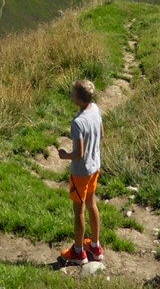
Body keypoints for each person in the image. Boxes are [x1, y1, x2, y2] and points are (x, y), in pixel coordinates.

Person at [55, 79, 104, 266]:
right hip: (95, 166)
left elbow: (78, 154)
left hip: (80, 172)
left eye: (73, 93)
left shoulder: (77, 123)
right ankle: (95, 246)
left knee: (79, 212)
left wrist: (64, 155)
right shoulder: (96, 109)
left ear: (79, 98)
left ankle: (78, 252)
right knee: (92, 203)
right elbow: (101, 134)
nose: (70, 95)